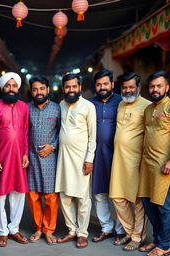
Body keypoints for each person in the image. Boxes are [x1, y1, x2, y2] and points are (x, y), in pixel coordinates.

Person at [109, 72, 150, 251]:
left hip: (137, 161)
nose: (127, 90)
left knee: (138, 200)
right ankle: (130, 231)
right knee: (117, 196)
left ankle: (136, 236)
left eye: (131, 87)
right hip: (119, 160)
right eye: (124, 87)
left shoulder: (147, 106)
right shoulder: (120, 104)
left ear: (139, 88)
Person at [55, 73, 97, 248]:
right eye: (67, 87)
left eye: (74, 87)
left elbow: (92, 136)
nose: (71, 90)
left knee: (82, 197)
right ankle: (71, 230)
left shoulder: (88, 106)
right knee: (64, 195)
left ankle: (82, 233)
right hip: (63, 158)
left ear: (79, 87)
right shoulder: (61, 105)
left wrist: (89, 159)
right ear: (63, 88)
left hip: (81, 159)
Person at [138, 71, 170, 256]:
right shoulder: (149, 109)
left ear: (167, 87)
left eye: (159, 86)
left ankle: (165, 245)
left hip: (165, 166)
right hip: (147, 165)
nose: (155, 89)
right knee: (148, 203)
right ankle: (158, 240)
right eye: (152, 86)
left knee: (163, 206)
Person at [0, 72, 29, 247]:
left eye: (14, 86)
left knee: (19, 193)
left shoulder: (24, 107)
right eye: (8, 86)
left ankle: (14, 228)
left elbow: (26, 132)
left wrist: (25, 154)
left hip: (19, 157)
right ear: (2, 88)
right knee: (0, 194)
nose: (11, 89)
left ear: (18, 88)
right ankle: (2, 231)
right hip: (1, 157)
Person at [89, 69, 125, 243]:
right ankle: (106, 227)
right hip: (96, 155)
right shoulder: (89, 104)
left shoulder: (122, 102)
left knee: (118, 193)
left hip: (118, 155)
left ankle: (120, 228)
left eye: (105, 84)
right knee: (99, 192)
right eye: (98, 84)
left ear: (112, 84)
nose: (102, 87)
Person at [27, 76, 61, 245]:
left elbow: (63, 132)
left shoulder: (57, 109)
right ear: (31, 91)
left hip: (50, 159)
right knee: (33, 196)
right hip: (31, 158)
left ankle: (49, 230)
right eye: (35, 89)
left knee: (51, 197)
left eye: (41, 89)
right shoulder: (25, 109)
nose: (38, 92)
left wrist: (53, 146)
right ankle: (38, 228)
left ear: (48, 89)